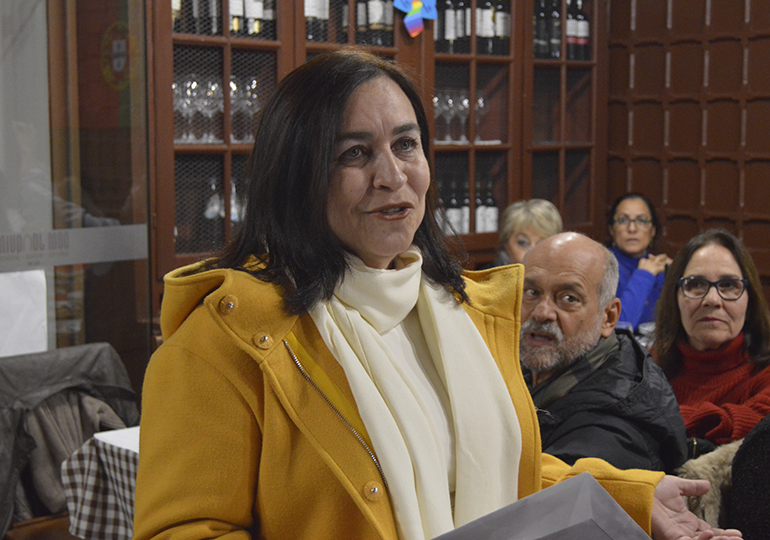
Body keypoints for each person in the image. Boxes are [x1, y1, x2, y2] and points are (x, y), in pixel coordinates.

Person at [133, 49, 741, 540]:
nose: (392, 176)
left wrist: (632, 497)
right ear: (297, 173)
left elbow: (493, 469)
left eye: (406, 145)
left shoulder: (461, 310)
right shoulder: (225, 341)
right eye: (354, 153)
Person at [519, 232, 688, 472]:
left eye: (568, 298)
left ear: (608, 317)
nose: (542, 312)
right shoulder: (529, 363)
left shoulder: (609, 432)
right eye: (531, 293)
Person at [655, 228, 770, 450]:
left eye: (729, 285)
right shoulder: (649, 368)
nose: (712, 299)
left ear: (750, 302)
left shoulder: (764, 373)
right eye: (695, 284)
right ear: (675, 299)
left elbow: (760, 427)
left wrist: (653, 416)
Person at [607, 193, 672, 333]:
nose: (632, 229)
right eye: (622, 220)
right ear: (612, 229)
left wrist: (676, 274)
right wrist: (644, 275)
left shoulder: (660, 267)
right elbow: (619, 327)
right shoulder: (601, 265)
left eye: (642, 220)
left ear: (653, 230)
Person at [491, 198, 562, 266]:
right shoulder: (489, 274)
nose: (532, 253)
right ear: (506, 246)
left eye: (542, 244)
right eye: (522, 243)